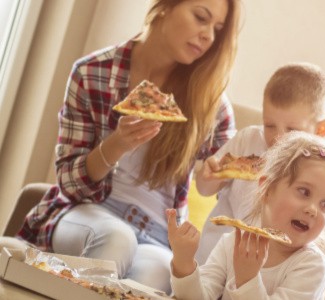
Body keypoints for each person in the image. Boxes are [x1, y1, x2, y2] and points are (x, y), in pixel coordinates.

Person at [16, 0, 241, 294]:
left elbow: (222, 188)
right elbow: (70, 185)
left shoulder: (212, 106)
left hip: (159, 236)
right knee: (117, 240)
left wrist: (213, 179)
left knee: (154, 276)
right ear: (165, 7)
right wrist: (115, 145)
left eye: (217, 30)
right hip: (90, 212)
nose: (208, 36)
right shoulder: (92, 73)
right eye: (201, 17)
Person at [166, 131, 325, 299]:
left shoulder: (312, 267)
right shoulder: (232, 244)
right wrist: (184, 262)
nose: (313, 209)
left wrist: (248, 279)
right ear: (267, 189)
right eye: (304, 192)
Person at [195, 62, 325, 264]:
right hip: (213, 253)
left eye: (291, 129)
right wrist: (209, 177)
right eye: (269, 125)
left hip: (265, 267)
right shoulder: (248, 140)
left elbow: (315, 231)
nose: (277, 137)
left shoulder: (322, 170)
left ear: (320, 130)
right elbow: (204, 189)